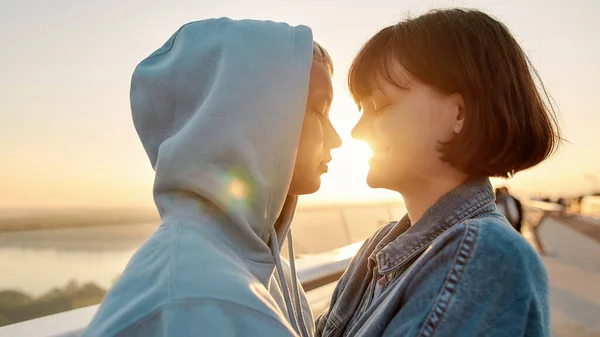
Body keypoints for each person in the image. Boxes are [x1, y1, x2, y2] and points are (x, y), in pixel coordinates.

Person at [82, 18, 341, 337]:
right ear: (252, 117)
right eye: (320, 110)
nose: (336, 138)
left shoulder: (260, 271)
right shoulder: (203, 304)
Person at [316, 9, 560, 337]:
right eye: (361, 109)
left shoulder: (487, 255)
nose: (357, 131)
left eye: (380, 106)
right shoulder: (377, 250)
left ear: (459, 113)